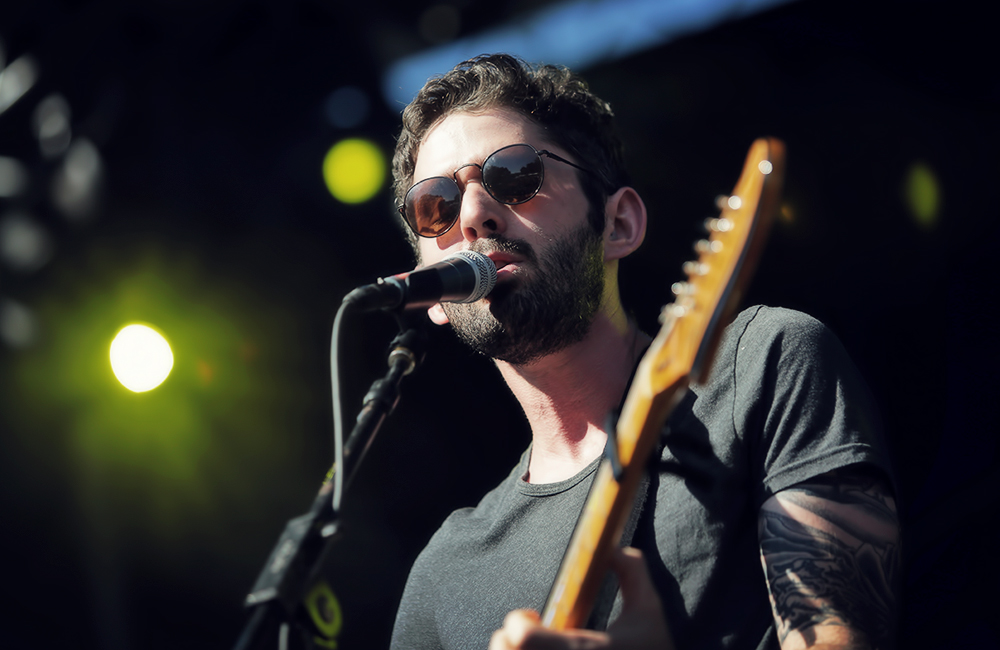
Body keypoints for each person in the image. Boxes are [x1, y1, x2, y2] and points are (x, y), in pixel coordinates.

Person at [387, 53, 900, 650]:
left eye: (514, 174)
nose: (474, 215)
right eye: (436, 206)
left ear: (620, 223)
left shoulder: (763, 363)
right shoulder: (443, 577)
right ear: (432, 296)